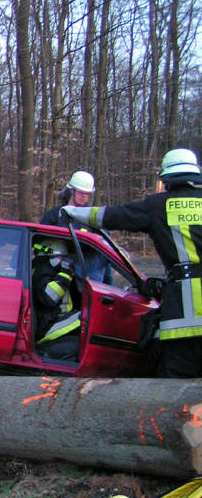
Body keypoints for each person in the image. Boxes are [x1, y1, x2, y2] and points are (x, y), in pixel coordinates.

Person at [62, 148, 202, 378]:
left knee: (176, 388)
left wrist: (72, 212)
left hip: (182, 317)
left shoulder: (159, 206)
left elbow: (112, 216)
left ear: (166, 180)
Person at [31, 238, 81, 361]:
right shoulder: (43, 269)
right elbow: (49, 297)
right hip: (48, 324)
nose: (64, 261)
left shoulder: (46, 268)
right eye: (62, 258)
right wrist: (65, 274)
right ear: (52, 255)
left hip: (53, 319)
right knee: (87, 318)